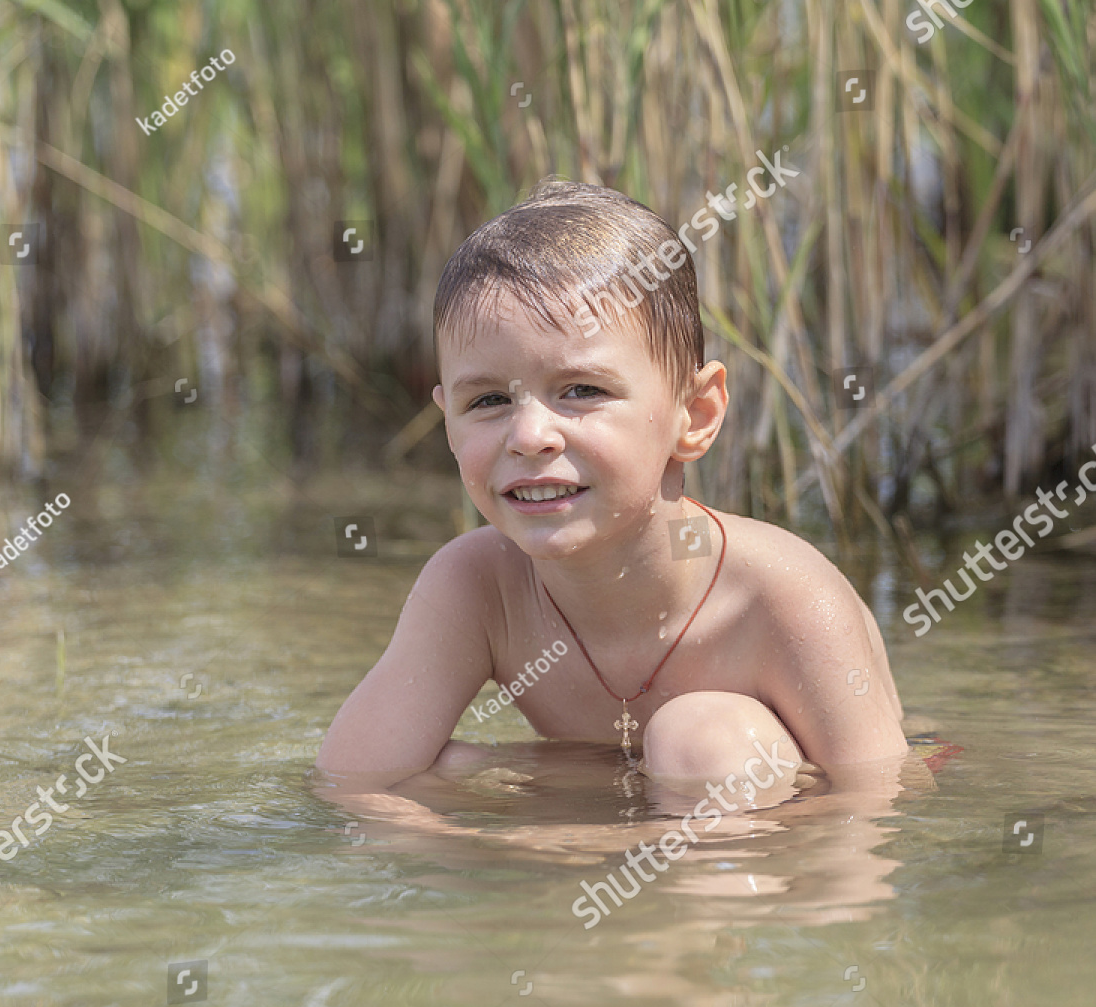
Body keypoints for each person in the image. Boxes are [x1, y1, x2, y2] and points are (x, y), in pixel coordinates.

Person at [316, 179, 908, 810]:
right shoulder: (475, 586)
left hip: (755, 830)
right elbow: (349, 784)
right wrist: (476, 862)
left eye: (582, 391)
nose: (530, 436)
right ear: (448, 423)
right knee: (437, 770)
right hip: (613, 807)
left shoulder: (784, 596)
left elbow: (875, 816)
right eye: (488, 401)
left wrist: (601, 858)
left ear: (696, 413)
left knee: (702, 741)